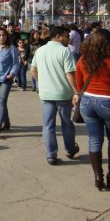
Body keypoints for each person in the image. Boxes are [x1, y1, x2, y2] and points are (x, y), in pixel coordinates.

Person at [75, 29, 110, 190]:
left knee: (94, 139)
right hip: (109, 102)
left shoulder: (83, 59)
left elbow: (79, 84)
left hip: (87, 102)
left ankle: (98, 176)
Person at [30, 26, 79, 165]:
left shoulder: (40, 50)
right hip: (63, 93)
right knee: (67, 123)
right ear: (58, 36)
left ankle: (51, 154)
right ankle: (70, 149)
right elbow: (69, 73)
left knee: (48, 125)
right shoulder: (65, 51)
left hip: (46, 94)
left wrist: (40, 82)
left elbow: (33, 70)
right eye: (66, 36)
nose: (69, 39)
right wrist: (76, 91)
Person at [0, 28, 19, 137]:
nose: (2, 37)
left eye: (4, 35)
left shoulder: (11, 48)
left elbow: (16, 63)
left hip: (6, 79)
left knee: (2, 101)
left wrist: (12, 73)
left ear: (7, 37)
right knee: (1, 102)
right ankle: (6, 122)